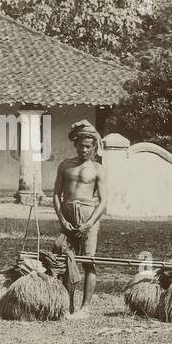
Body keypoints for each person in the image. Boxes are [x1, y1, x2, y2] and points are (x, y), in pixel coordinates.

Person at [53, 120, 108, 316]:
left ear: (94, 147)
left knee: (88, 260)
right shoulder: (65, 165)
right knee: (65, 260)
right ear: (75, 145)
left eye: (88, 146)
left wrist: (89, 223)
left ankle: (85, 308)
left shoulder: (97, 169)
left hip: (88, 215)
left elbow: (102, 201)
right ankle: (67, 305)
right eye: (81, 146)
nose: (84, 150)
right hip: (67, 215)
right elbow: (56, 195)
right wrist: (62, 220)